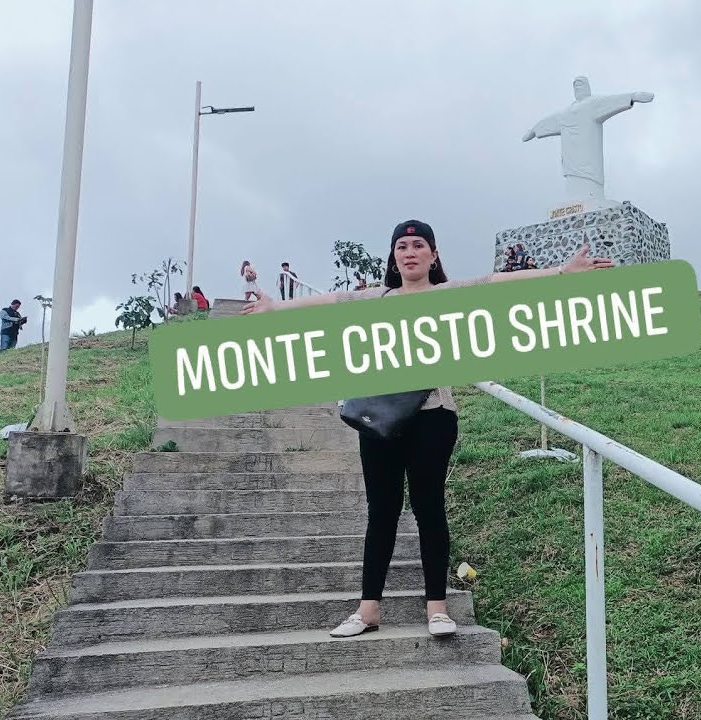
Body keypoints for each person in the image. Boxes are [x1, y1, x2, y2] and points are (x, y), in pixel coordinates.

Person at [243, 219, 614, 639]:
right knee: (381, 514)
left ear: (433, 255)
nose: (410, 252)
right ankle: (368, 611)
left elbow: (495, 281)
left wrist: (562, 273)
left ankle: (437, 608)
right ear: (394, 256)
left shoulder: (446, 295)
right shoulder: (377, 299)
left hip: (433, 416)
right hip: (379, 419)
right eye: (402, 246)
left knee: (428, 509)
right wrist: (275, 308)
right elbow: (331, 299)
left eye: (419, 245)